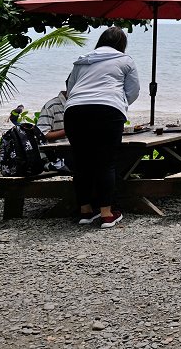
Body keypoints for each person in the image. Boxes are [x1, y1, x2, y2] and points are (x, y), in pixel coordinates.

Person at [64, 27, 140, 229]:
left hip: (75, 111)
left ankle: (85, 211)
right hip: (108, 110)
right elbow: (133, 91)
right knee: (106, 162)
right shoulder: (125, 60)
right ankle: (107, 214)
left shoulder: (82, 60)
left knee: (81, 161)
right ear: (122, 44)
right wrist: (118, 103)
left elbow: (70, 89)